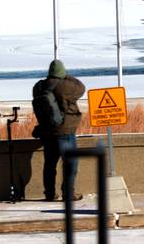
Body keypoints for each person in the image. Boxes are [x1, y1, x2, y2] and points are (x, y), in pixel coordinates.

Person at [32, 59, 86, 201]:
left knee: (49, 164)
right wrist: (66, 76)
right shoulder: (66, 87)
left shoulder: (39, 86)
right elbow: (81, 88)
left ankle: (49, 193)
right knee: (70, 164)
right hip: (65, 131)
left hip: (47, 131)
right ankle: (68, 193)